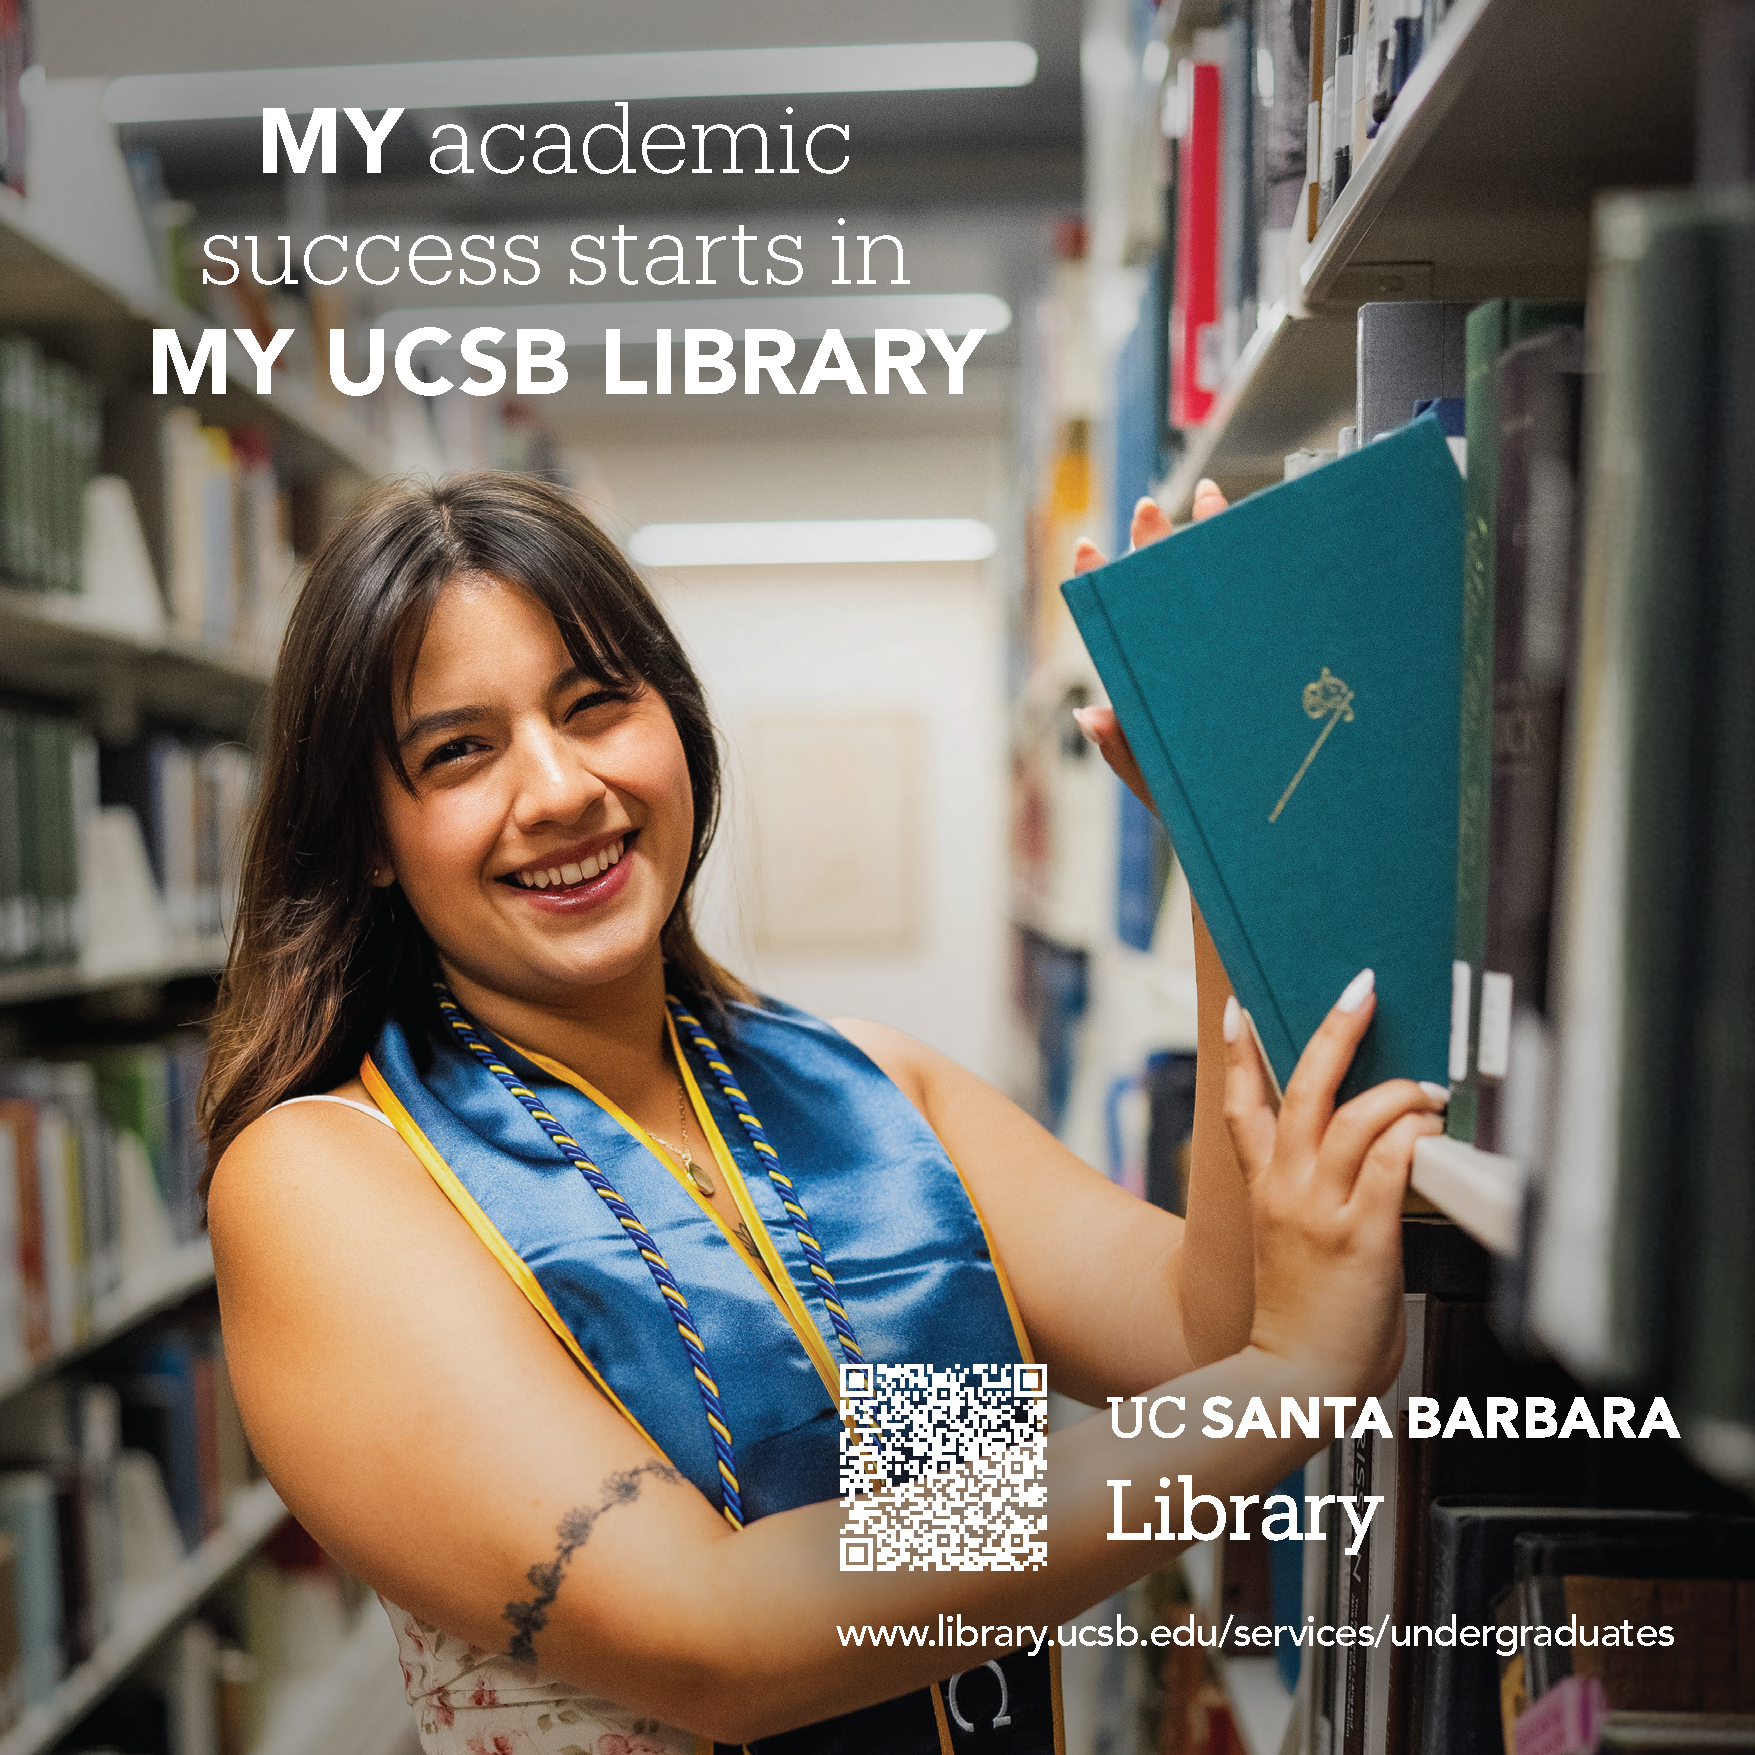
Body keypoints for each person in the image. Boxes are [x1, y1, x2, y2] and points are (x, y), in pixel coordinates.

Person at [204, 472, 1445, 1755]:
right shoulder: (331, 1176)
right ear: (366, 833)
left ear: (676, 727)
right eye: (459, 751)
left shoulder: (872, 1087)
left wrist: (1225, 836)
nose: (561, 788)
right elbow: (719, 1636)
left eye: (596, 706)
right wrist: (1281, 1393)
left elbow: (1208, 1333)